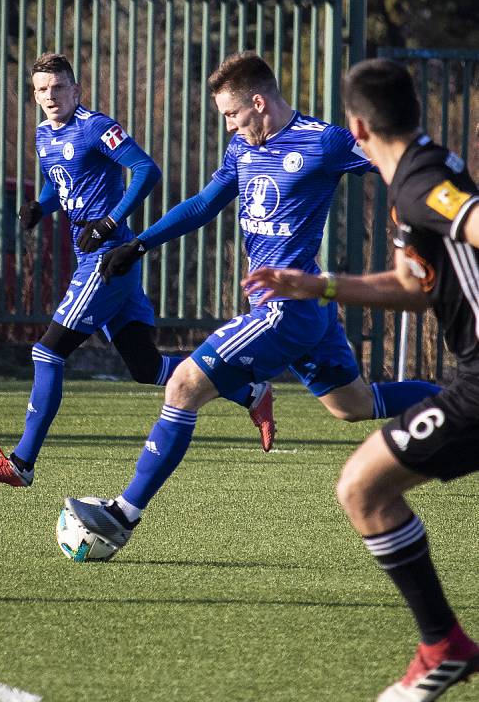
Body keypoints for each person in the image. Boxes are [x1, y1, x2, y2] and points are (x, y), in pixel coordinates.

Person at [64, 51, 439, 557]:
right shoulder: (242, 149)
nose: (230, 125)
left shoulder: (322, 142)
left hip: (285, 307)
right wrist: (140, 243)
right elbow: (201, 205)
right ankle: (464, 400)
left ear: (259, 102)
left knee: (182, 386)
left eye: (232, 114)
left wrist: (414, 210)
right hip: (309, 309)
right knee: (353, 405)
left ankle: (122, 514)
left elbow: (393, 160)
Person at [242, 58, 479, 701]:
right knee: (363, 485)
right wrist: (318, 285)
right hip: (469, 377)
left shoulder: (424, 183)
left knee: (362, 488)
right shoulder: (422, 170)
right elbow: (410, 287)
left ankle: (442, 645)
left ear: (356, 125)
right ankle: (443, 644)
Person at [0, 52, 274, 488]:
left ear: (77, 90)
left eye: (58, 88)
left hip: (108, 259)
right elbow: (61, 184)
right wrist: (41, 206)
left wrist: (110, 221)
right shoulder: (42, 136)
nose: (51, 96)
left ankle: (22, 462)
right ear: (34, 96)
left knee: (47, 352)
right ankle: (249, 391)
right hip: (97, 259)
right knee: (145, 367)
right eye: (42, 90)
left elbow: (147, 170)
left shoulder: (95, 126)